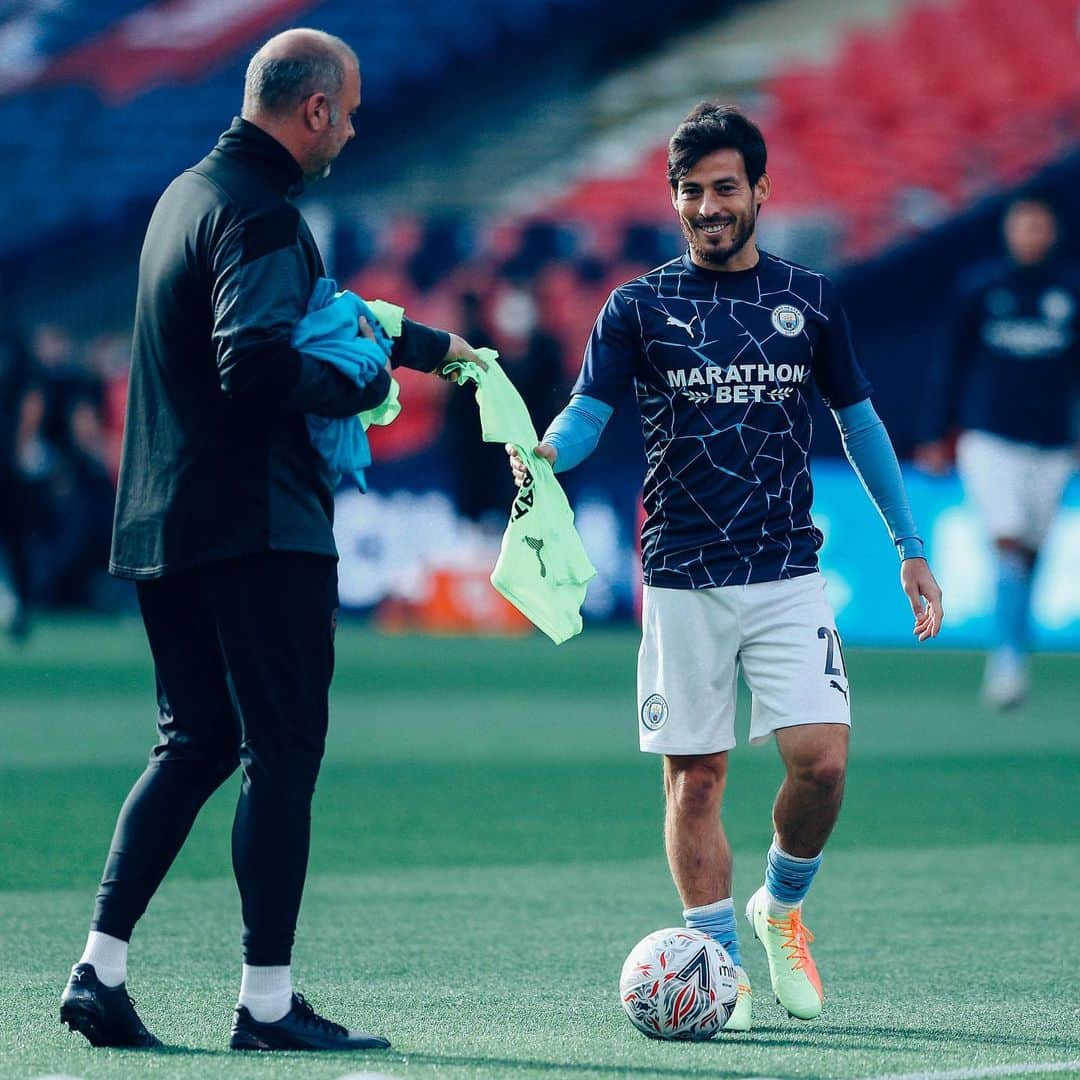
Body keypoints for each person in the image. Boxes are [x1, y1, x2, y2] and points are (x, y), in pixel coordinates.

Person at [59, 28, 481, 1053]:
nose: (358, 124)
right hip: (257, 526)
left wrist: (427, 351)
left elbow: (327, 314)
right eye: (353, 106)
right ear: (317, 110)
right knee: (280, 752)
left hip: (164, 518)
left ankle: (99, 970)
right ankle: (266, 1003)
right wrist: (365, 386)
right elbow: (255, 359)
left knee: (196, 741)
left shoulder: (184, 200)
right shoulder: (262, 216)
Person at [508, 103, 943, 1031]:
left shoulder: (812, 299)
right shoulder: (637, 306)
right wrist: (549, 451)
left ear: (760, 192)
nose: (709, 206)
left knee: (821, 764)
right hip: (681, 574)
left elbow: (858, 424)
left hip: (786, 568)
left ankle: (781, 909)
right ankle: (721, 966)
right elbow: (590, 412)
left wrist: (911, 547)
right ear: (674, 201)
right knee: (695, 780)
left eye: (724, 188)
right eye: (692, 192)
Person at [916, 196, 1078, 708]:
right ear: (1009, 231)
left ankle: (1015, 648)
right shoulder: (982, 288)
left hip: (1053, 442)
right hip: (989, 438)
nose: (1032, 234)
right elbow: (950, 363)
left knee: (1030, 550)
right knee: (1007, 541)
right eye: (1024, 225)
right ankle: (1007, 660)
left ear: (1052, 232)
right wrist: (935, 434)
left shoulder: (1070, 291)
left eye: (1040, 225)